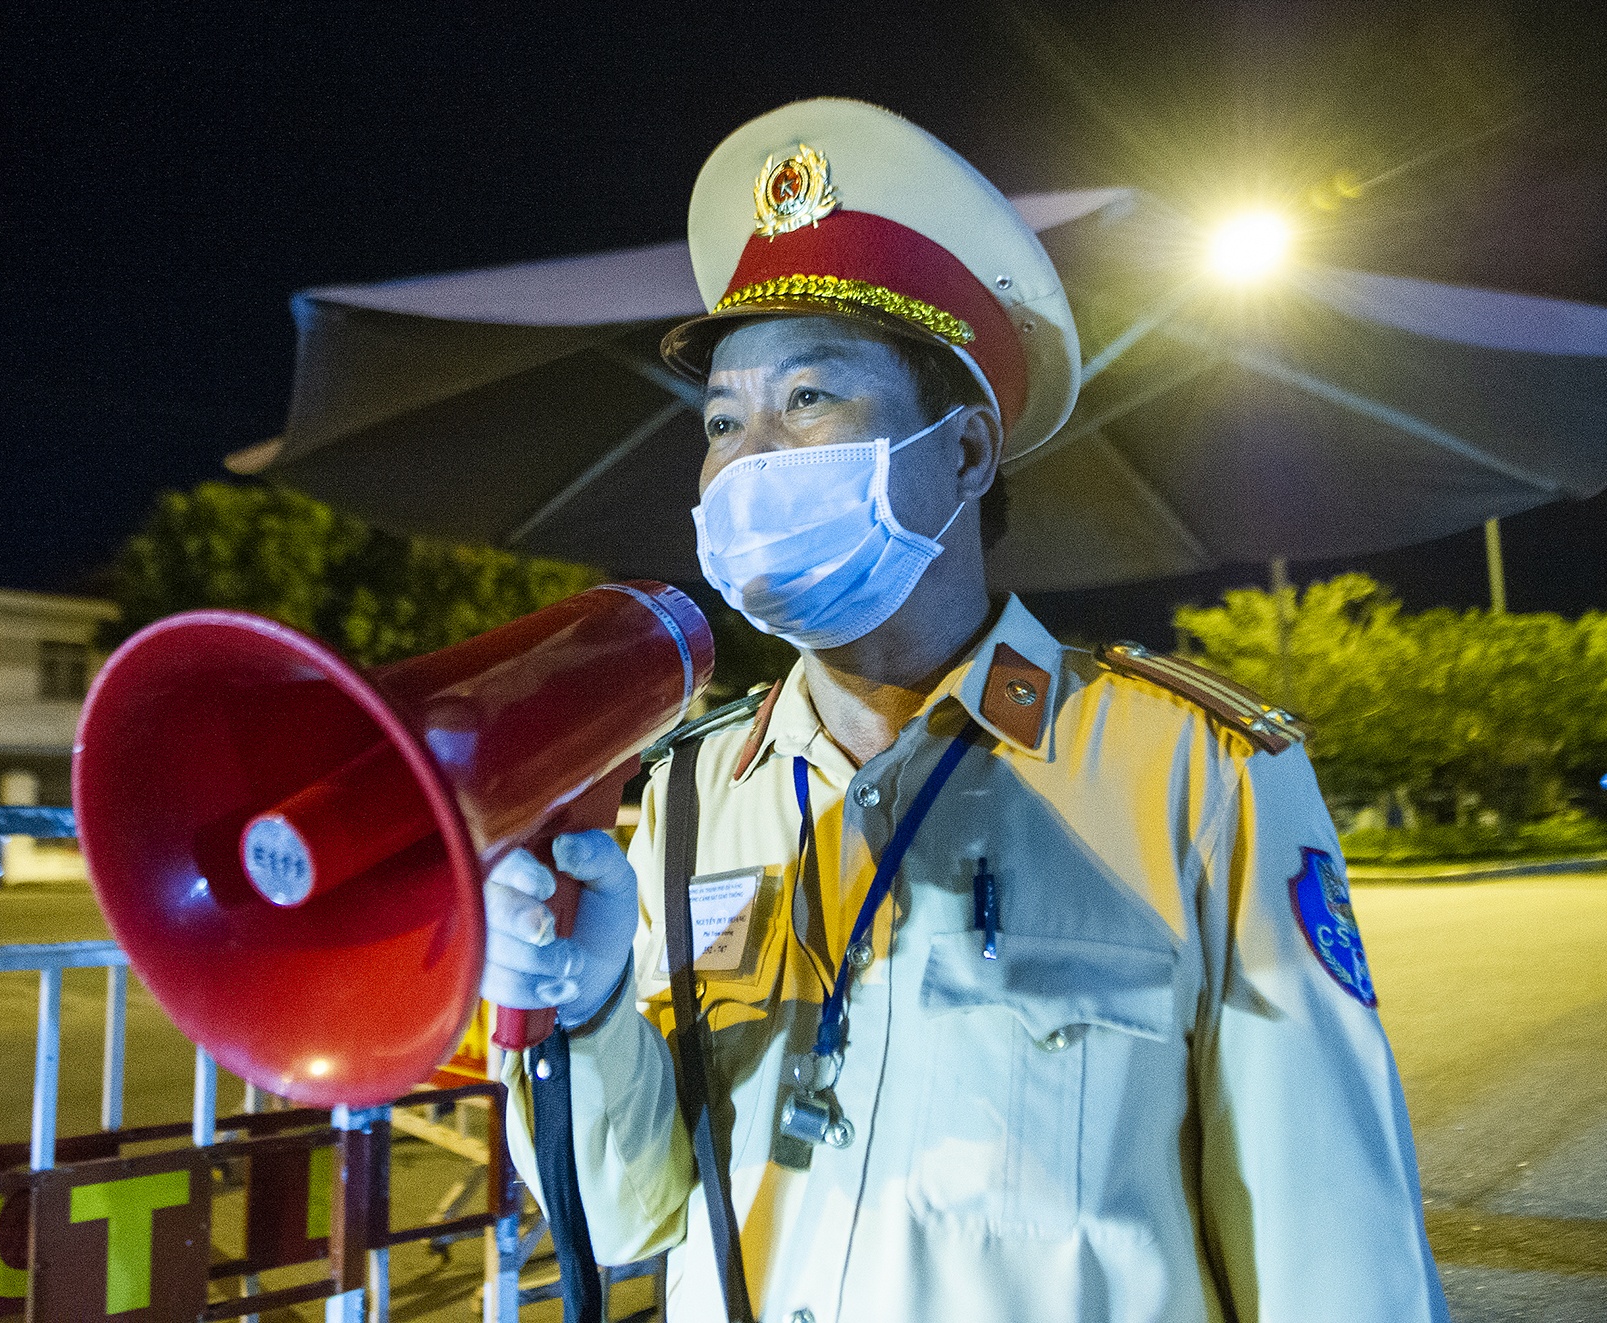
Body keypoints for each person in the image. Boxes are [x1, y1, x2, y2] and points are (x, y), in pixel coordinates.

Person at [483, 99, 1447, 1322]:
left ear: (968, 448)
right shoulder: (684, 795)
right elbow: (629, 1219)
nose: (745, 463)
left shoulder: (1190, 773)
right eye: (721, 422)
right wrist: (586, 1003)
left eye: (809, 400)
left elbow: (1333, 1250)